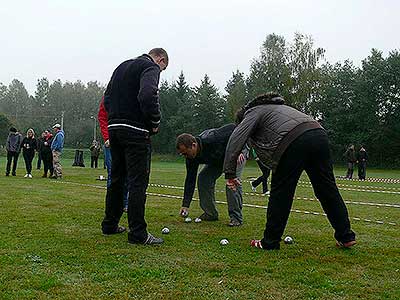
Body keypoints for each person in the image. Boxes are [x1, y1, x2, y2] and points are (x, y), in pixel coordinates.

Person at [223, 92, 356, 250]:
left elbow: (236, 137)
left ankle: (270, 241)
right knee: (327, 189)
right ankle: (346, 236)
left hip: (293, 140)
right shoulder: (279, 107)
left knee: (281, 192)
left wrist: (230, 173)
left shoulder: (252, 112)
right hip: (319, 134)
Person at [101, 48, 169, 245]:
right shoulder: (150, 66)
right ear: (161, 60)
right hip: (136, 131)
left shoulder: (121, 67)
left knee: (117, 178)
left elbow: (106, 99)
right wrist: (154, 121)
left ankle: (110, 224)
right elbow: (148, 94)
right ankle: (138, 233)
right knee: (138, 182)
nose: (160, 73)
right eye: (163, 69)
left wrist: (115, 117)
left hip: (114, 128)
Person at [176, 124, 248, 227]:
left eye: (185, 153)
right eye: (182, 154)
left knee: (231, 183)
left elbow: (234, 128)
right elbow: (190, 180)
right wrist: (185, 205)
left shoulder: (212, 138)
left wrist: (240, 149)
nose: (185, 156)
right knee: (203, 178)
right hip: (218, 160)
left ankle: (236, 218)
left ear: (193, 145)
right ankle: (210, 214)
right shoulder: (191, 158)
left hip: (235, 154)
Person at [98, 96, 129, 212]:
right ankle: (113, 205)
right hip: (111, 141)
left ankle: (125, 203)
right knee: (113, 174)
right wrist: (107, 137)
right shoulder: (108, 97)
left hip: (126, 140)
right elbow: (102, 117)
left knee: (127, 173)